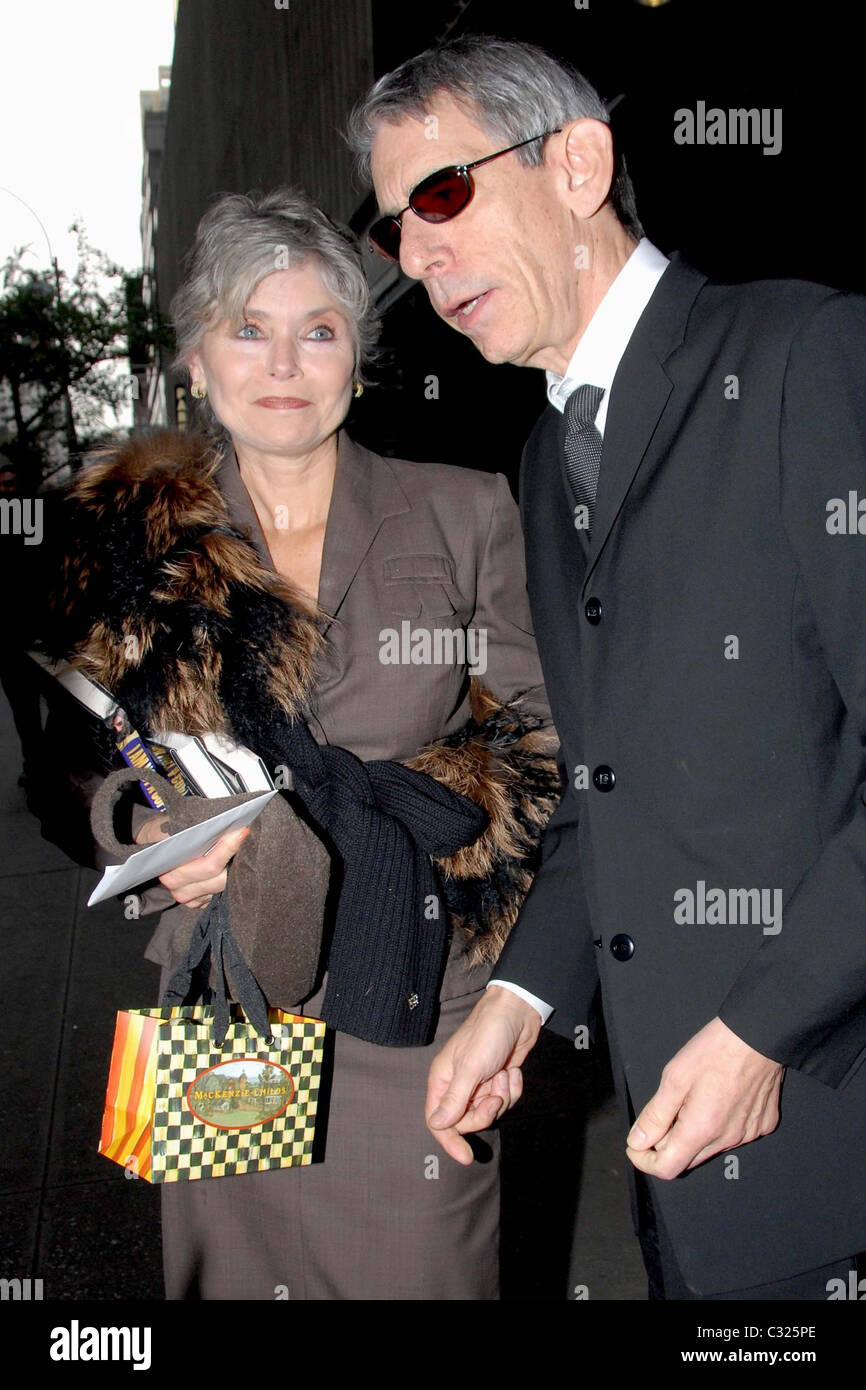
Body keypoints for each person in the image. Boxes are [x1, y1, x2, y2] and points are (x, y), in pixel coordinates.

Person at [349, 34, 866, 1300]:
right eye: (392, 227)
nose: (413, 256)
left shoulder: (804, 354)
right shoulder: (542, 457)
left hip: (827, 1130)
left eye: (439, 194)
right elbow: (605, 790)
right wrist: (519, 999)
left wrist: (762, 1033)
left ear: (577, 163)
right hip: (679, 1171)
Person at [42, 186, 558, 1300]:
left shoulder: (465, 508)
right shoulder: (139, 538)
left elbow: (545, 742)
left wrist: (513, 973)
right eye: (247, 327)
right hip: (232, 982)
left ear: (356, 358)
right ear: (194, 355)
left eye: (317, 329)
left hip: (421, 981)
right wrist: (139, 828)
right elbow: (78, 755)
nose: (283, 362)